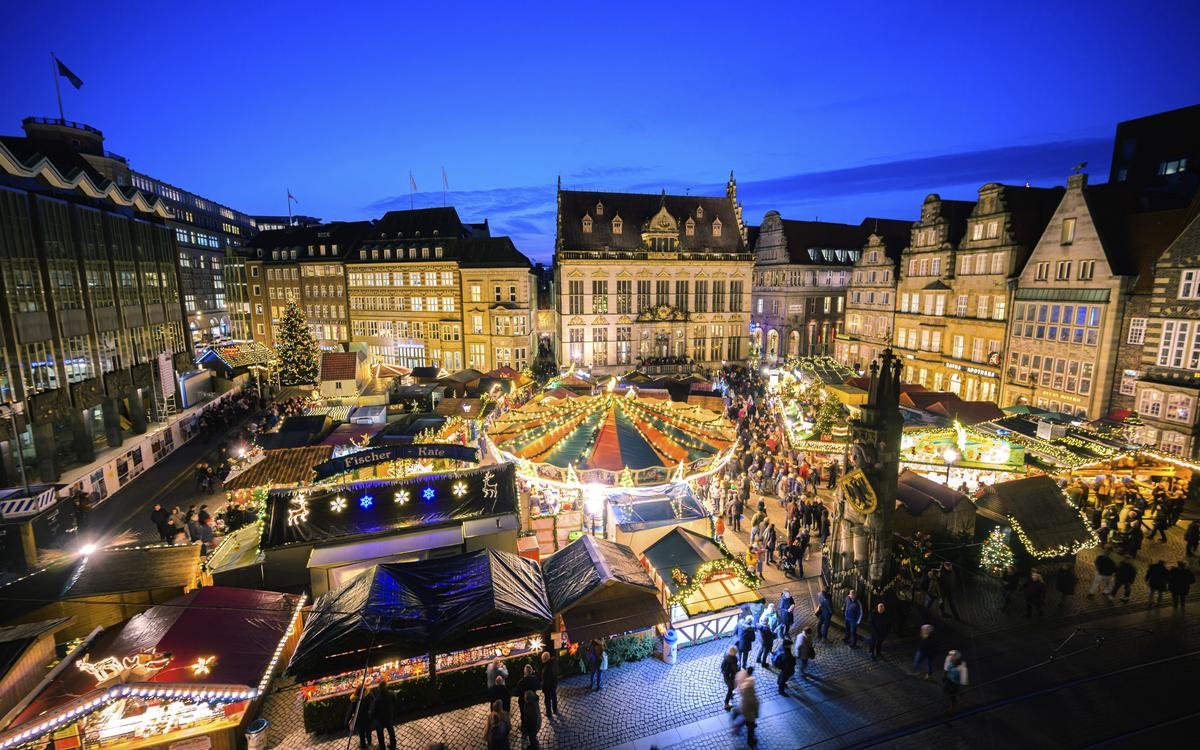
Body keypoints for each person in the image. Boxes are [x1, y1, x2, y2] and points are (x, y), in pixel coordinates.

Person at [731, 666, 759, 747]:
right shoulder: (750, 692)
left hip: (742, 703)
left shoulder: (741, 673)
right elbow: (754, 704)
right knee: (750, 726)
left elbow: (736, 680)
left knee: (741, 713)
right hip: (748, 710)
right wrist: (756, 714)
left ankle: (735, 717)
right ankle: (750, 741)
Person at [369, 682, 397, 750]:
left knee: (380, 735)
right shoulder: (391, 693)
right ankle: (393, 745)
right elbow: (395, 701)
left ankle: (382, 747)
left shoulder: (377, 699)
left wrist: (371, 718)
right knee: (390, 730)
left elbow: (372, 710)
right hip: (389, 716)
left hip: (379, 720)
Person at [942, 650, 968, 716]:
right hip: (948, 681)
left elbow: (964, 681)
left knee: (952, 696)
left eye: (953, 657)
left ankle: (952, 709)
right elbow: (947, 669)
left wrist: (962, 690)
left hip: (955, 684)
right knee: (946, 693)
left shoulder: (962, 668)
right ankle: (949, 705)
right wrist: (944, 676)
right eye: (951, 656)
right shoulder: (950, 661)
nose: (951, 658)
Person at [345, 685, 371, 750]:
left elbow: (350, 711)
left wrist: (346, 721)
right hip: (368, 718)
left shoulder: (355, 700)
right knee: (368, 731)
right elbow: (373, 704)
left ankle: (363, 746)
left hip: (360, 720)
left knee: (361, 733)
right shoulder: (369, 695)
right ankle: (369, 741)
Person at [539, 650, 559, 718]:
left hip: (548, 687)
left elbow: (545, 681)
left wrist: (543, 688)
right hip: (554, 683)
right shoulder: (554, 661)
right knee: (554, 696)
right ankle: (555, 709)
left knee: (547, 700)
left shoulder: (546, 669)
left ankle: (549, 713)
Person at [720, 645, 739, 710]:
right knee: (730, 688)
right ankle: (726, 704)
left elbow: (722, 667)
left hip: (726, 675)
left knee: (730, 687)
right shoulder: (733, 660)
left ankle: (731, 694)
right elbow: (735, 670)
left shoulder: (726, 657)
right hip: (730, 677)